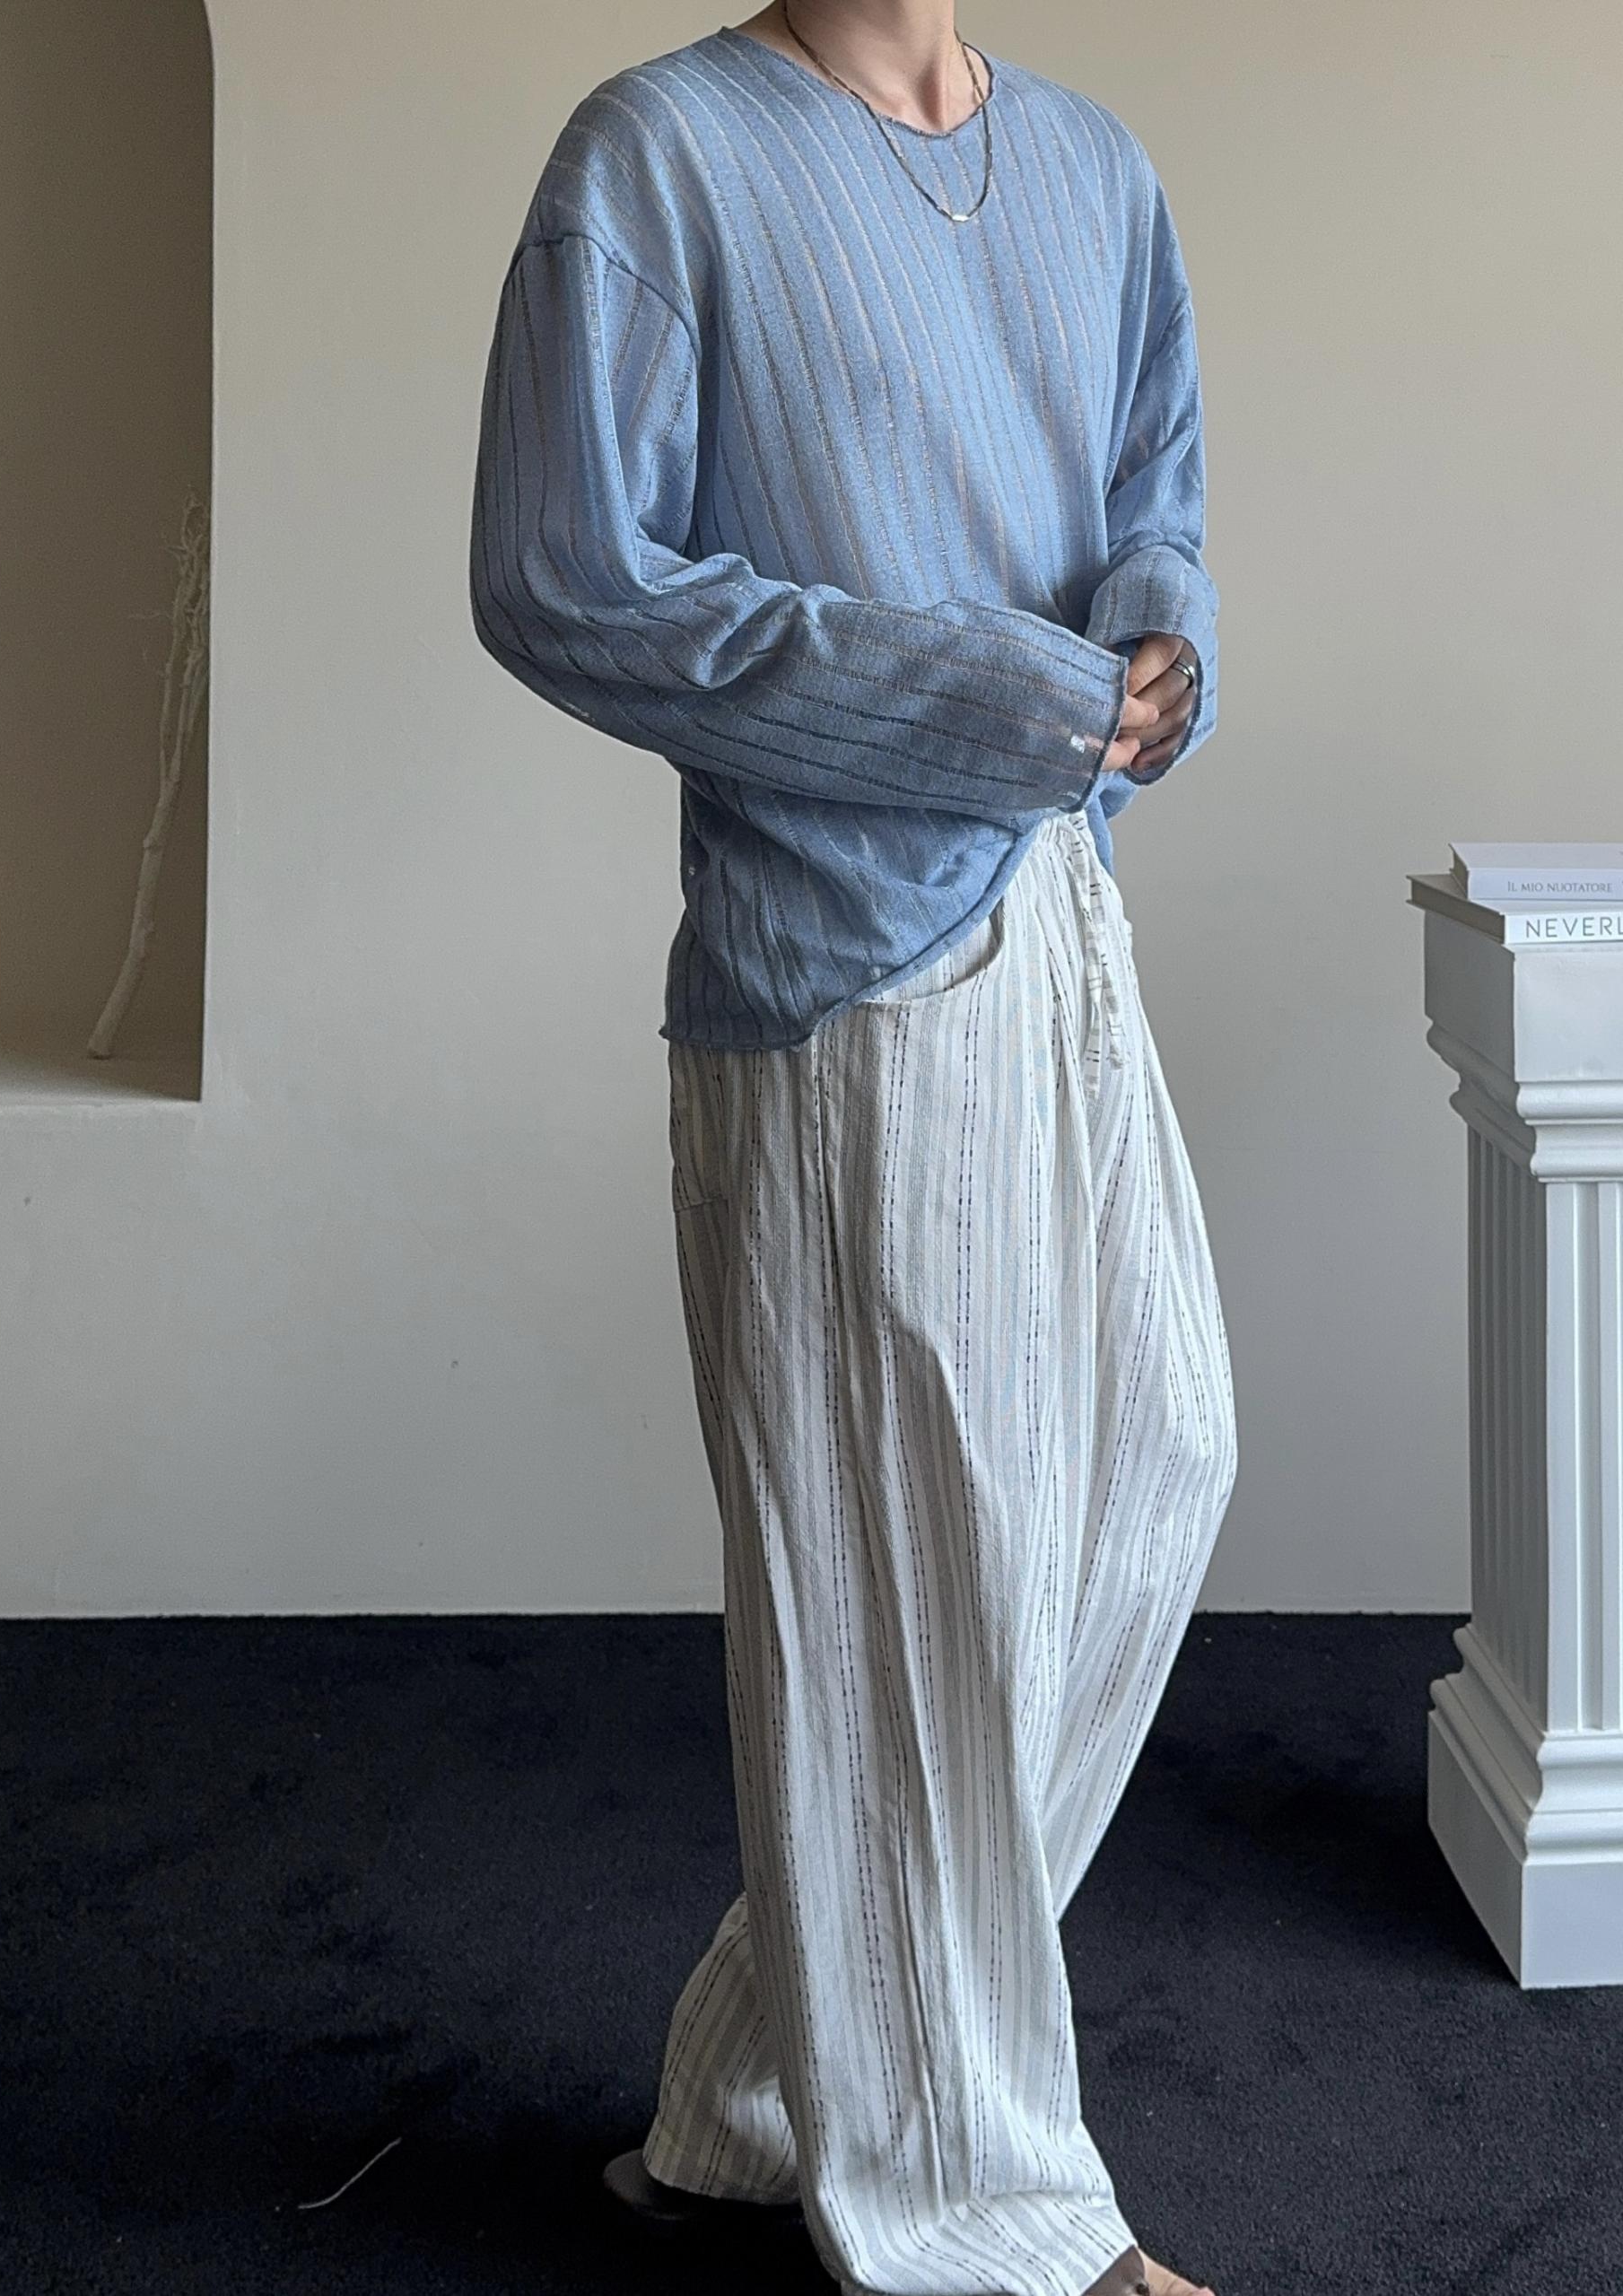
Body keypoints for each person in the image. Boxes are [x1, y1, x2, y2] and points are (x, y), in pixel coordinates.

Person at [468, 5, 1238, 2292]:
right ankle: (991, 2218)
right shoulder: (658, 159)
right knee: (917, 1594)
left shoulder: (1095, 169)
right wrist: (1004, 697)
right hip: (837, 966)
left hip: (1062, 912)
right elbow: (563, 575)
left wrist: (1159, 643)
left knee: (1166, 1454)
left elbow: (1153, 500)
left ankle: (763, 2081)